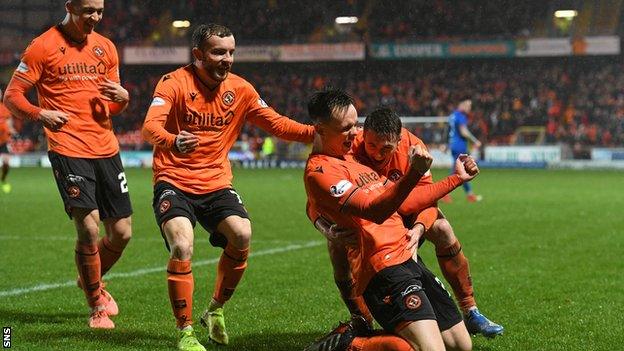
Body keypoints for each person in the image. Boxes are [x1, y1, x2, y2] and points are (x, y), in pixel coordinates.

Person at [142, 23, 315, 351]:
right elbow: (150, 128)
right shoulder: (173, 84)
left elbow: (276, 123)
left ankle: (215, 310)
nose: (227, 59)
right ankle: (185, 331)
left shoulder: (241, 90)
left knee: (242, 234)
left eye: (231, 52)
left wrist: (316, 133)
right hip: (174, 180)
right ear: (198, 55)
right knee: (182, 245)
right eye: (218, 52)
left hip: (216, 183)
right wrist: (172, 141)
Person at [304, 88, 475, 351]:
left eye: (356, 124)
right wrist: (413, 173)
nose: (356, 133)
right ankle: (350, 343)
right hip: (381, 267)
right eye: (347, 127)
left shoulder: (356, 158)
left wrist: (457, 179)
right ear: (321, 129)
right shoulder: (321, 170)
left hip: (409, 258)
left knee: (461, 345)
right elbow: (374, 210)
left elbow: (406, 202)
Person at [3, 0, 132, 330]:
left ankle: (89, 279)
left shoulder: (106, 48)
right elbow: (12, 96)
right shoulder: (42, 46)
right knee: (88, 228)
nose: (95, 17)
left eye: (100, 11)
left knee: (121, 234)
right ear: (70, 6)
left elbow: (112, 108)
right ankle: (96, 304)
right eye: (88, 10)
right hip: (68, 148)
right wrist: (40, 113)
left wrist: (123, 99)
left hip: (106, 148)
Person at [351, 107, 503, 337]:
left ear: (400, 140)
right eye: (371, 145)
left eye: (386, 148)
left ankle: (470, 311)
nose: (378, 154)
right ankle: (361, 321)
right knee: (339, 249)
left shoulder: (416, 150)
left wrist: (419, 228)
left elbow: (428, 200)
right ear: (364, 136)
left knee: (442, 229)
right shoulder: (351, 146)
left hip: (406, 212)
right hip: (371, 216)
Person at [447, 98, 482, 203]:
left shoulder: (452, 116)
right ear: (461, 104)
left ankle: (469, 194)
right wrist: (475, 141)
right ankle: (444, 193)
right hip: (459, 145)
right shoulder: (460, 116)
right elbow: (463, 132)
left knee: (462, 169)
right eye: (468, 105)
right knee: (458, 170)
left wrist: (446, 144)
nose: (469, 108)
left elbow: (448, 131)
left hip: (453, 144)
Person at [0, 89, 13, 193]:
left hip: (3, 141)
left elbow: (8, 122)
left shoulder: (4, 108)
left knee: (6, 163)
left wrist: (11, 130)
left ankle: (3, 179)